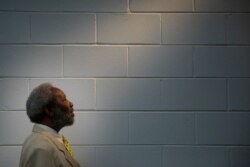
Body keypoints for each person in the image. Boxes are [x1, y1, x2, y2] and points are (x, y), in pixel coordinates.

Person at [19, 83, 80, 167]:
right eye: (64, 99)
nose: (71, 104)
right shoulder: (40, 147)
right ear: (49, 111)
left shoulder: (50, 140)